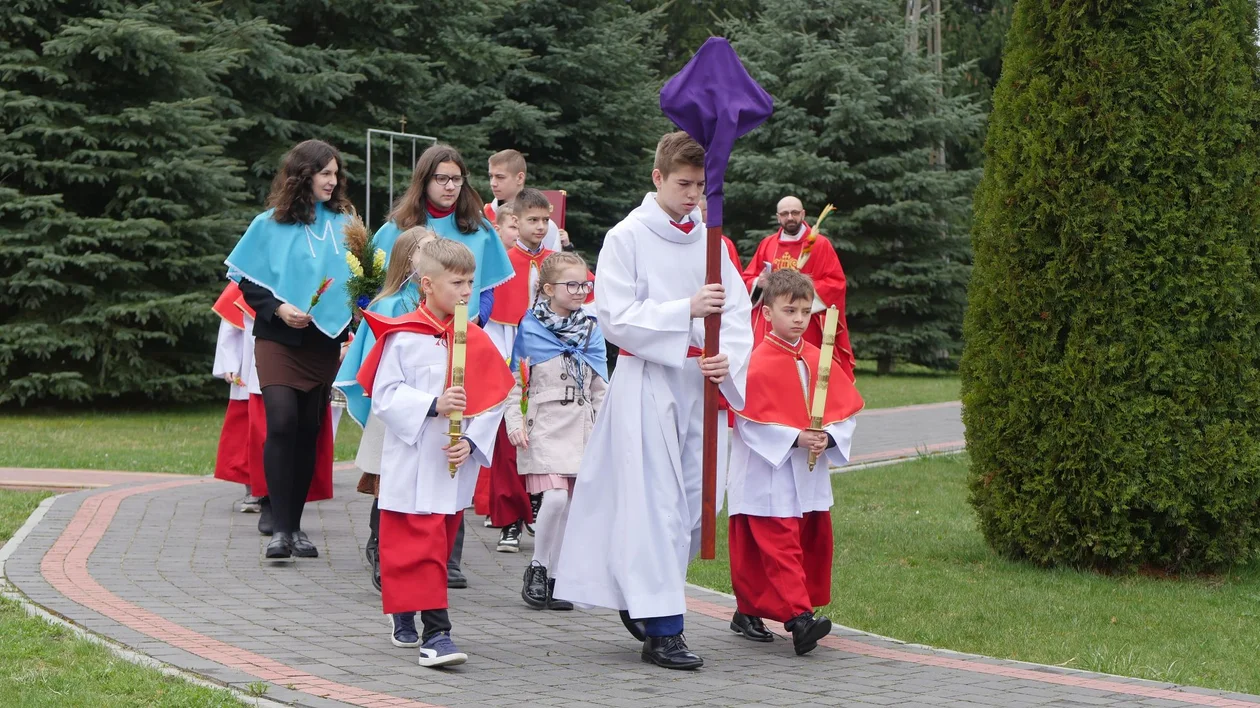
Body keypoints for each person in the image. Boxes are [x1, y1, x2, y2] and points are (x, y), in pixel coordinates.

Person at [553, 132, 753, 670]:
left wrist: (727, 358)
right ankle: (664, 629)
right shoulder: (628, 237)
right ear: (658, 178)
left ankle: (644, 597)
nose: (693, 195)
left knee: (698, 504)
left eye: (701, 186)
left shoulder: (712, 239)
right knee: (656, 508)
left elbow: (735, 313)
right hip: (649, 384)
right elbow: (614, 315)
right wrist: (683, 309)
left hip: (700, 383)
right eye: (684, 184)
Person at [356, 238, 514, 668]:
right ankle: (437, 634)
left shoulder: (476, 339)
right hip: (412, 458)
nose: (467, 292)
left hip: (450, 463)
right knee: (416, 544)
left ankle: (407, 609)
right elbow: (385, 395)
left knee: (439, 545)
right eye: (457, 283)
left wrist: (471, 440)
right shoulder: (404, 336)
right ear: (427, 284)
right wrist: (432, 405)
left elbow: (494, 398)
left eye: (470, 282)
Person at [224, 139, 354, 560]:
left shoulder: (346, 222)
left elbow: (364, 274)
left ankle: (296, 527)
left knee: (308, 429)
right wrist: (278, 307)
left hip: (323, 340)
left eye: (336, 174)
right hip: (278, 337)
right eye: (325, 173)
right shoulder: (268, 223)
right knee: (280, 421)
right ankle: (279, 528)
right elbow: (246, 280)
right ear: (303, 174)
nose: (333, 181)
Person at [726, 268, 862, 655]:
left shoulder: (820, 359)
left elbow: (844, 412)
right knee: (776, 543)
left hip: (809, 473)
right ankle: (800, 620)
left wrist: (830, 434)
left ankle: (748, 609)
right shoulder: (755, 363)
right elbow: (748, 422)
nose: (800, 319)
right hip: (768, 472)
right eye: (790, 311)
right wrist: (794, 437)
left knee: (805, 542)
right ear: (767, 313)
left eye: (805, 311)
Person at [505, 251, 606, 610]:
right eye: (572, 284)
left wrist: (604, 430)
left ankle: (557, 575)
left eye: (585, 284)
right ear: (548, 288)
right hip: (544, 424)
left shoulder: (592, 330)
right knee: (556, 498)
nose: (581, 291)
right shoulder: (529, 327)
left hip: (582, 427)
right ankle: (537, 566)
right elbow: (512, 382)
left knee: (572, 506)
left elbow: (599, 388)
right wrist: (514, 422)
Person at [334, 227, 430, 591]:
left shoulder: (435, 302)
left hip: (428, 406)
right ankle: (380, 545)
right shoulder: (389, 305)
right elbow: (376, 362)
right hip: (392, 406)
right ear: (408, 258)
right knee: (386, 481)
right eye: (426, 249)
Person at [482, 188, 559, 552]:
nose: (540, 227)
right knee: (507, 441)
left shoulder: (556, 263)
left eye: (545, 220)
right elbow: (496, 318)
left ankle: (538, 503)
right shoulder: (503, 262)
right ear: (516, 221)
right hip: (509, 357)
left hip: (544, 359)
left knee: (542, 435)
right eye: (532, 220)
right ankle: (509, 520)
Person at [372, 143, 514, 328]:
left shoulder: (480, 230)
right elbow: (376, 287)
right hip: (406, 329)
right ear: (424, 181)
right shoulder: (397, 228)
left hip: (462, 327)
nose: (450, 186)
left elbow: (486, 288)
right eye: (441, 178)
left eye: (456, 179)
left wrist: (479, 319)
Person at [742, 196, 856, 381]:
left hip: (805, 322)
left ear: (803, 214)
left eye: (795, 212)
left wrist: (800, 291)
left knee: (804, 373)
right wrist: (758, 283)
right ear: (778, 217)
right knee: (771, 375)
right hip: (772, 322)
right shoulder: (768, 244)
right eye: (785, 214)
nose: (790, 217)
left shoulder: (819, 244)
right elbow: (748, 278)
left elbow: (835, 283)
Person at [211, 281, 255, 509]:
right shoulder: (240, 286)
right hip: (247, 371)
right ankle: (252, 489)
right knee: (246, 434)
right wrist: (229, 364)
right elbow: (229, 329)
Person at [485, 149, 568, 252]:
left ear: (520, 178)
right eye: (491, 176)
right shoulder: (482, 217)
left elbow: (553, 263)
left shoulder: (545, 225)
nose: (493, 183)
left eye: (500, 177)